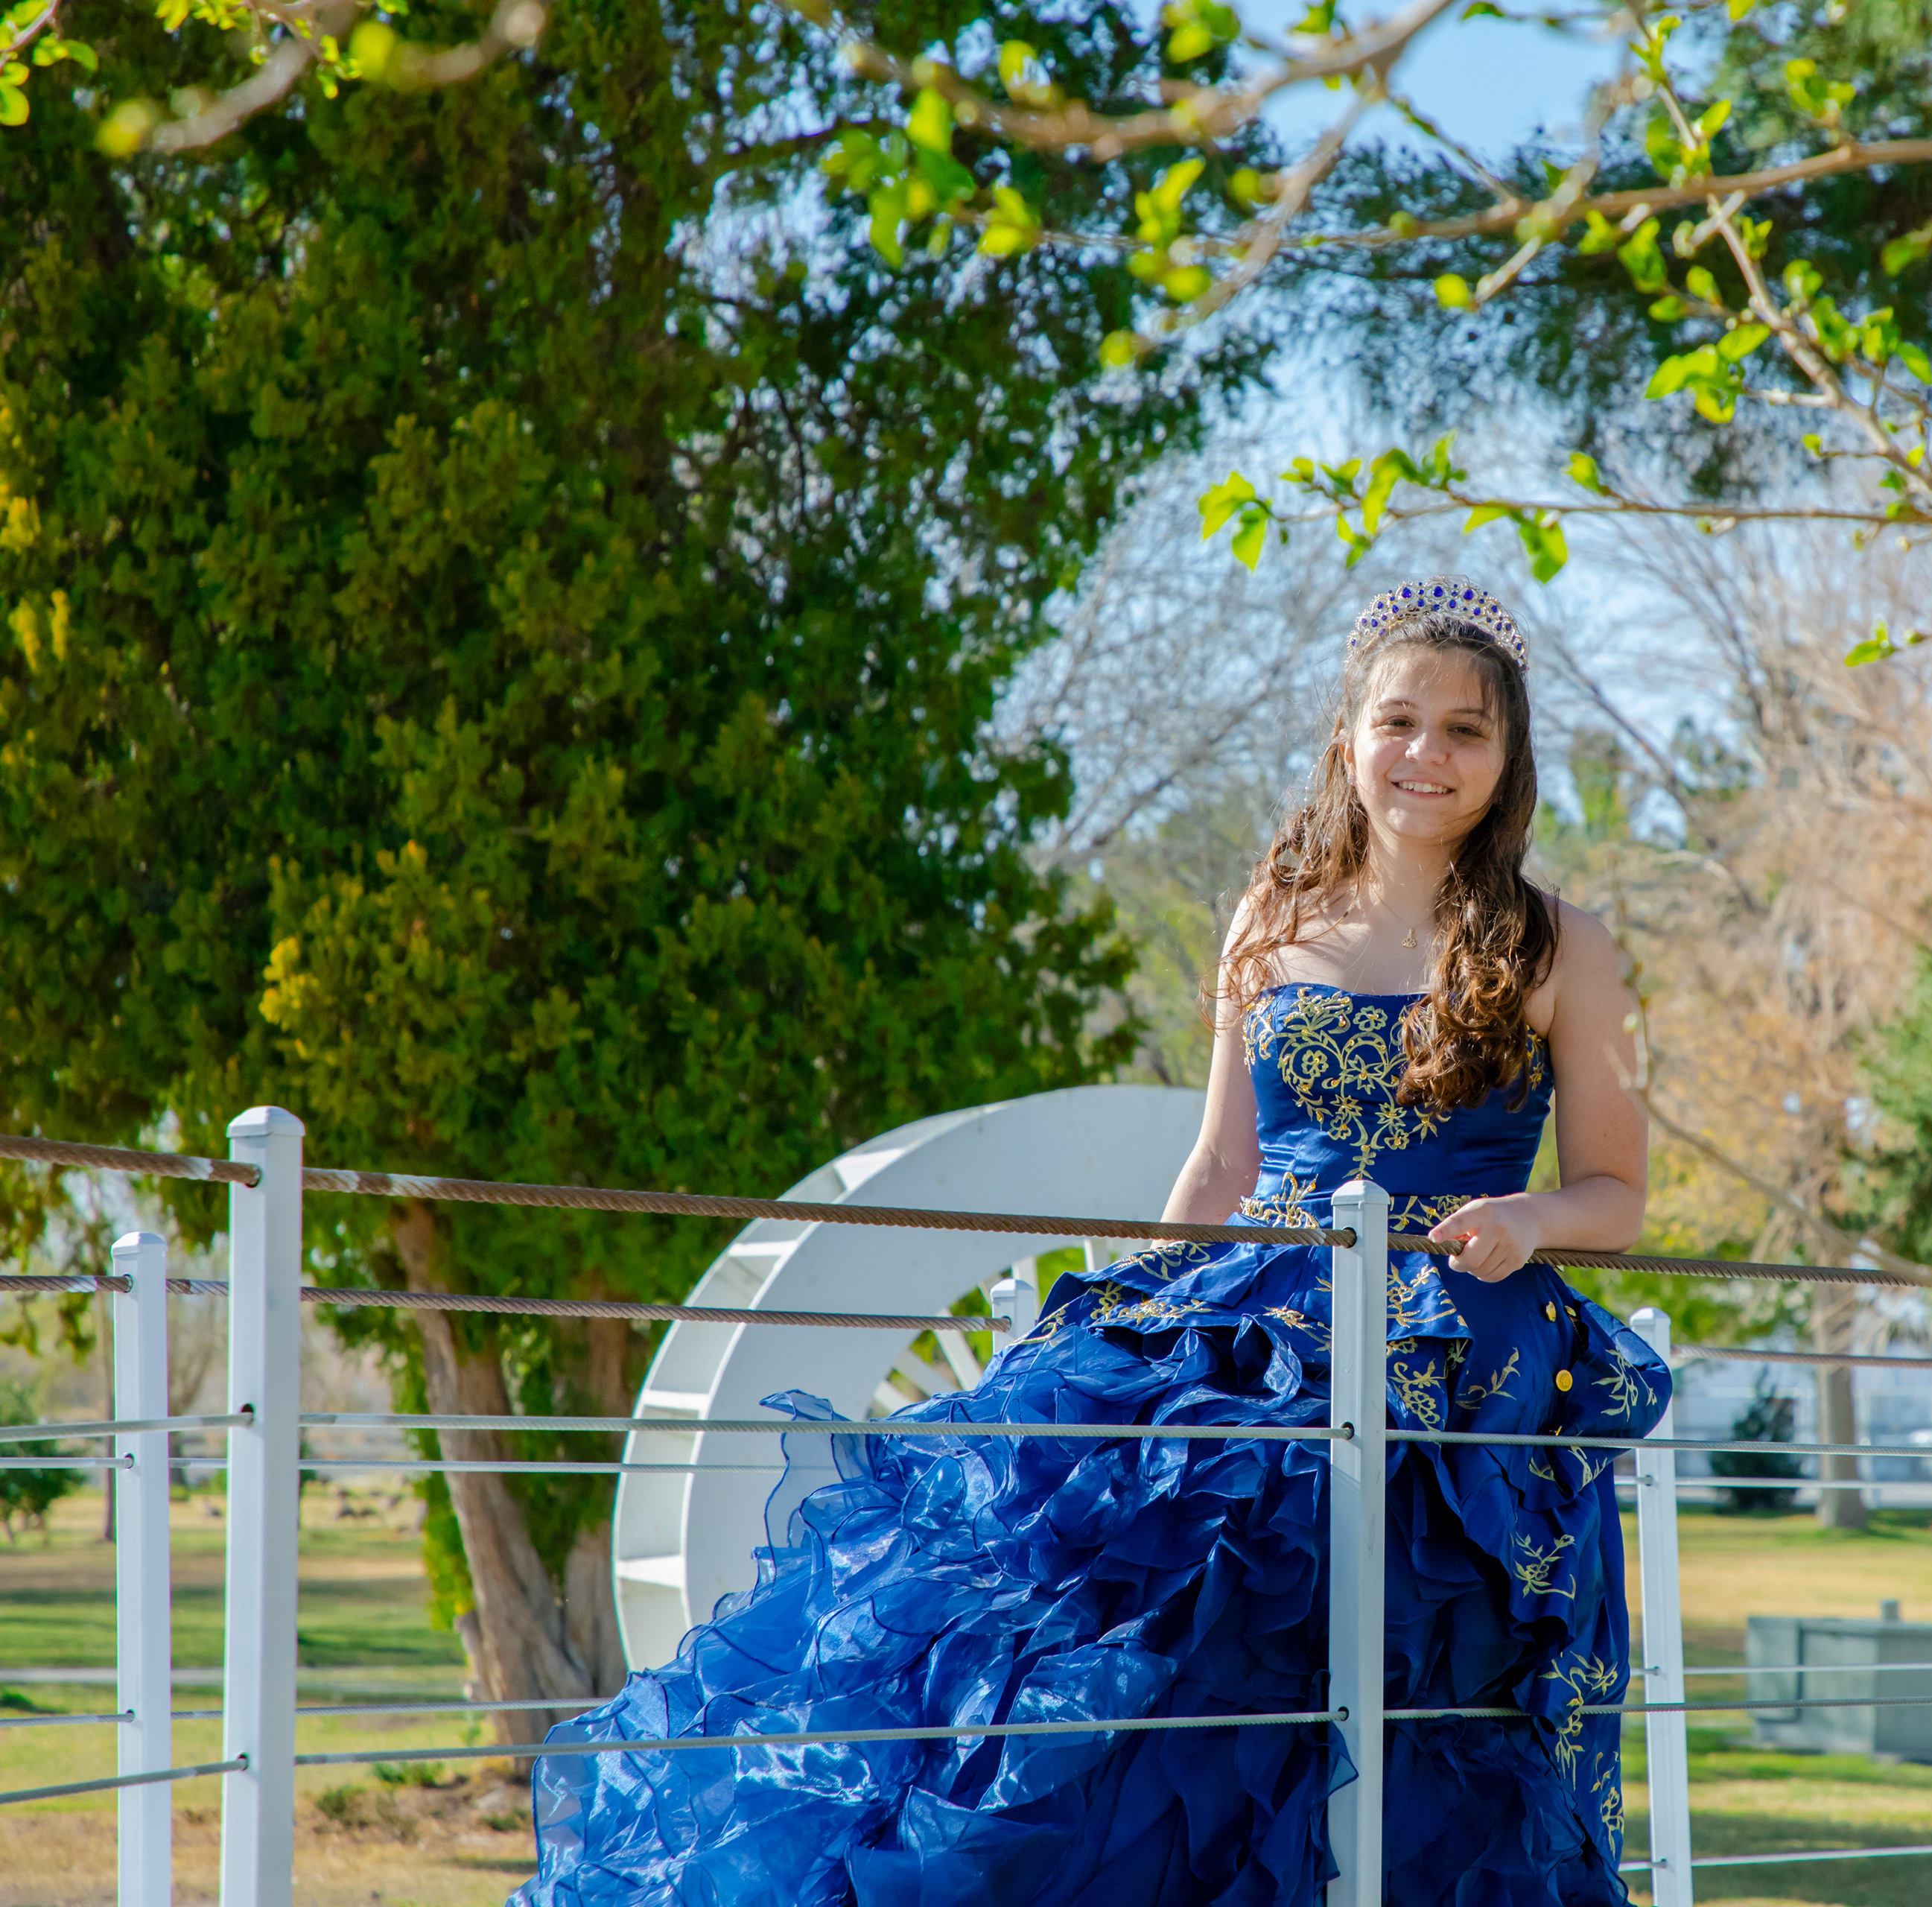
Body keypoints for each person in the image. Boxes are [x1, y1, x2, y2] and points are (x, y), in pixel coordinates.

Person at [514, 577, 1670, 1907]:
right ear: (1349, 737)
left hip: (1461, 1330)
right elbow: (1222, 1165)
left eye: (1467, 730)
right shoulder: (1272, 916)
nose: (1428, 753)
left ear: (1510, 756)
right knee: (1078, 1562)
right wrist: (1150, 1309)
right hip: (1253, 1312)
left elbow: (1616, 1192)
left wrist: (1529, 1221)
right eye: (1399, 721)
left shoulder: (1560, 946)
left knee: (1350, 1607)